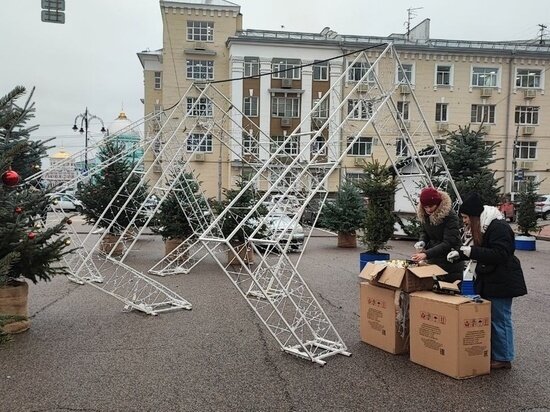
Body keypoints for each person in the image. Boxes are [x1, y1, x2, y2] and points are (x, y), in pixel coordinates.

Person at [447, 192, 527, 370]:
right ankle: (495, 352)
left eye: (466, 217)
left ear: (475, 216)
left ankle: (504, 357)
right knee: (490, 318)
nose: (465, 221)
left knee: (500, 319)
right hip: (490, 279)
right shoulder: (483, 226)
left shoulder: (498, 227)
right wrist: (460, 255)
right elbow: (479, 250)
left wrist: (471, 252)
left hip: (502, 280)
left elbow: (500, 254)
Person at [411, 187, 463, 282]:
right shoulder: (424, 214)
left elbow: (449, 242)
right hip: (434, 258)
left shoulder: (450, 216)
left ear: (438, 204)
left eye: (431, 206)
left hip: (450, 260)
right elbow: (425, 231)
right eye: (425, 207)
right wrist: (422, 241)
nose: (429, 209)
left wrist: (426, 254)